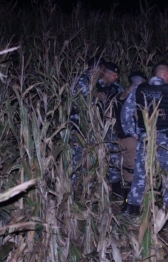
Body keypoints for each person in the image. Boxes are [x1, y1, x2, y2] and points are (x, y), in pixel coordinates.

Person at [121, 61, 168, 215]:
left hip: (145, 138)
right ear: (165, 74)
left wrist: (132, 132)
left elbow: (126, 112)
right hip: (166, 139)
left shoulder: (139, 90)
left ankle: (133, 208)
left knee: (140, 172)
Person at [112, 71, 148, 210]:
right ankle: (130, 204)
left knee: (126, 171)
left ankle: (127, 202)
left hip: (119, 139)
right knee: (133, 172)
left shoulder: (120, 95)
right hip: (132, 139)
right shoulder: (134, 97)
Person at [70, 55, 105, 198]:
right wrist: (96, 97)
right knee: (76, 158)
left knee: (87, 157)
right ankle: (72, 191)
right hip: (78, 125)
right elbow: (81, 103)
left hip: (87, 126)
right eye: (101, 69)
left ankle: (86, 189)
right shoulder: (82, 80)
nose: (102, 72)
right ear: (96, 68)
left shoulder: (93, 81)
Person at [95, 61, 125, 197]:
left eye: (117, 75)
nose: (116, 77)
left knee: (113, 156)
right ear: (105, 73)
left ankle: (116, 188)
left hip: (111, 128)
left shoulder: (117, 88)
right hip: (94, 127)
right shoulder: (93, 86)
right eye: (113, 74)